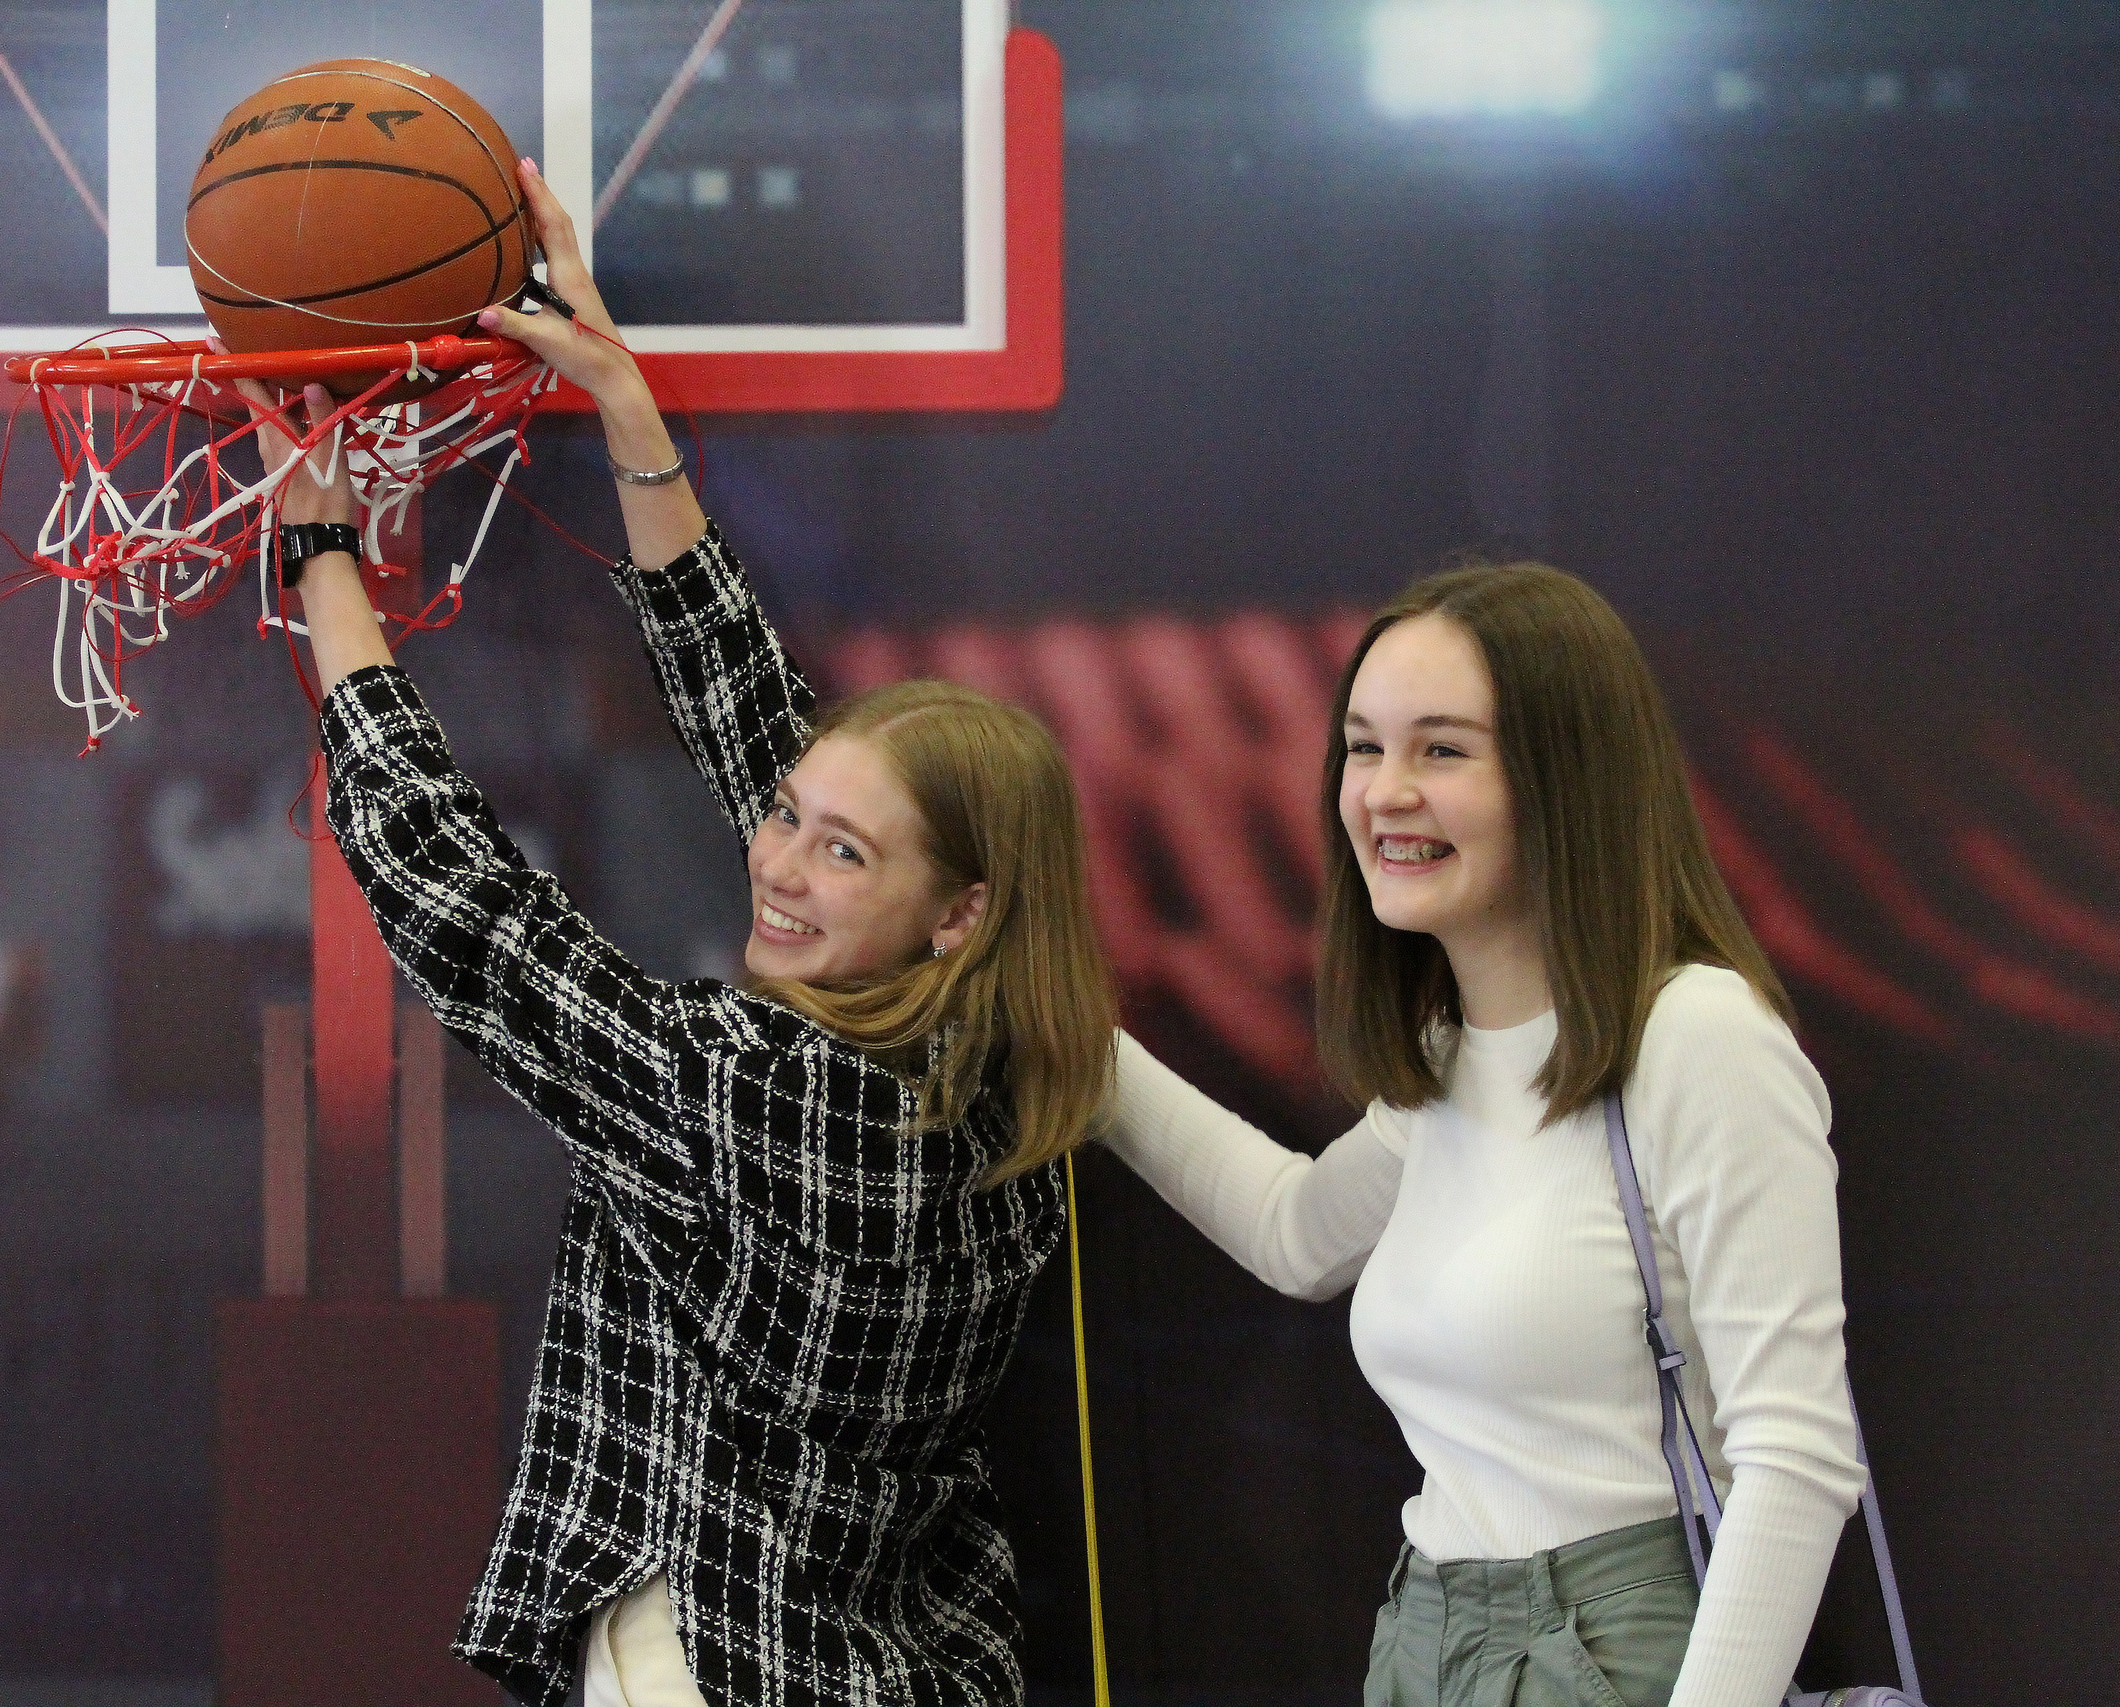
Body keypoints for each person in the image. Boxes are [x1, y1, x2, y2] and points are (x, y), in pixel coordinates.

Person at [244, 159, 1115, 1707]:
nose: (774, 861)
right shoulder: (1007, 1076)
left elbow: (472, 915)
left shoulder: (769, 1088)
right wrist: (621, 401)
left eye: (836, 849)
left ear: (955, 912)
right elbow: (752, 720)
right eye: (785, 815)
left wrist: (322, 559)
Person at [1099, 564, 1867, 1707]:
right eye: (1362, 747)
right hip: (1424, 1639)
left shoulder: (1697, 1038)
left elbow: (1797, 1460)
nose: (1383, 793)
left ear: (1566, 780)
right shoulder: (1448, 1056)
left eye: (1442, 751)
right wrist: (1076, 1049)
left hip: (1611, 1650)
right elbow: (1296, 1232)